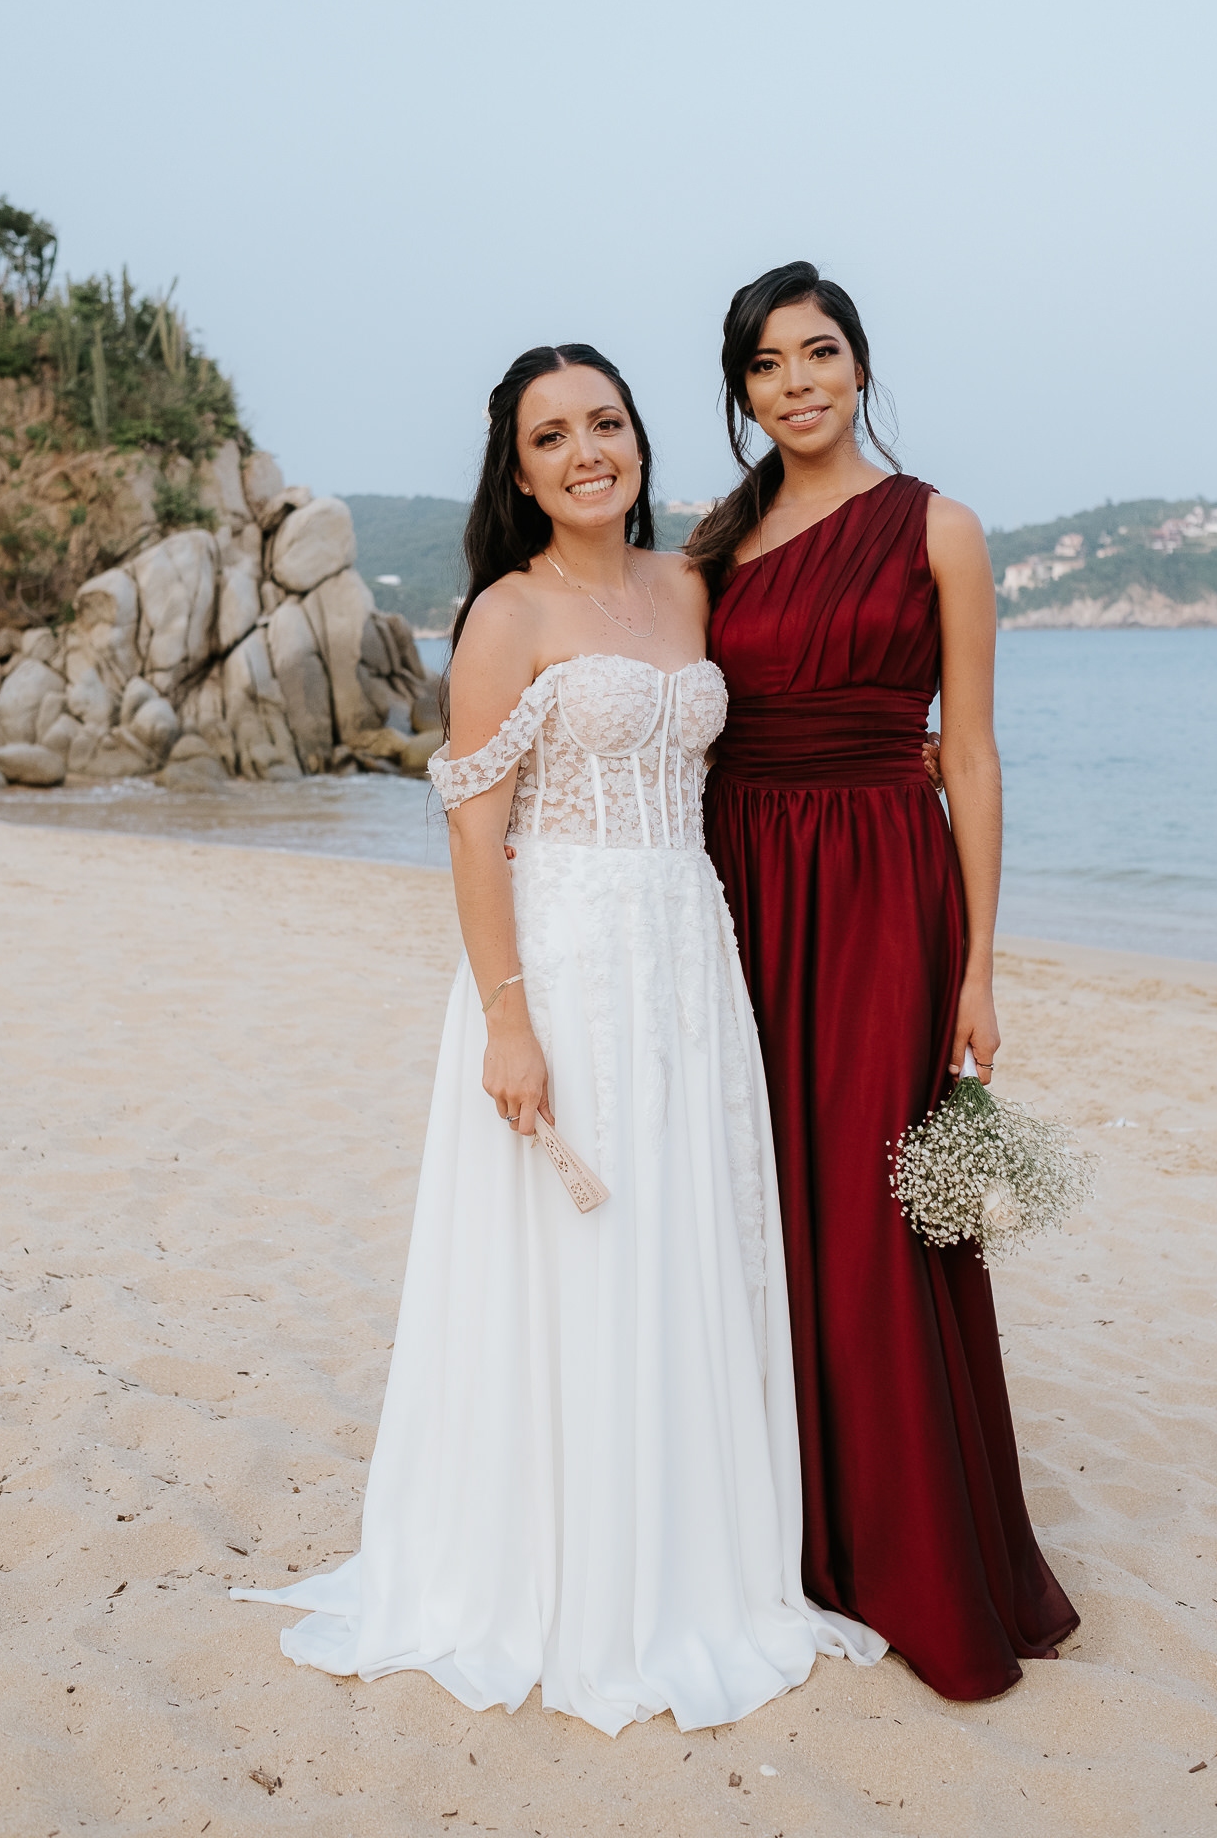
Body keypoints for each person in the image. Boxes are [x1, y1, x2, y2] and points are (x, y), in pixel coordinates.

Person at [233, 342, 884, 1735]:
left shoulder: (690, 583)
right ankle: (565, 1568)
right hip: (567, 962)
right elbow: (475, 829)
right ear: (520, 473)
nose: (587, 451)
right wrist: (508, 1023)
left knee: (687, 1236)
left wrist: (900, 786)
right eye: (552, 437)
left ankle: (697, 1557)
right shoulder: (506, 614)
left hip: (688, 953)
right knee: (575, 1256)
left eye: (606, 423)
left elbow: (779, 730)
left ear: (638, 440)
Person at [690, 262, 1079, 1702]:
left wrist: (979, 961)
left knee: (867, 1199)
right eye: (766, 364)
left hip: (878, 888)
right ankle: (776, 1528)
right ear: (741, 393)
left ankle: (906, 1547)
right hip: (735, 876)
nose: (796, 382)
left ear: (860, 364)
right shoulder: (714, 543)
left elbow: (967, 751)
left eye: (819, 353)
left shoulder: (938, 528)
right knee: (755, 1190)